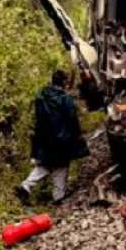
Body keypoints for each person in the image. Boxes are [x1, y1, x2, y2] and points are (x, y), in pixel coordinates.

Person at [14, 70, 89, 205]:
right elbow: (72, 119)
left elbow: (37, 119)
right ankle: (58, 196)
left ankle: (26, 185)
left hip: (44, 138)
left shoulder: (40, 97)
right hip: (63, 137)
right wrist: (77, 136)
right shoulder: (65, 99)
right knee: (61, 166)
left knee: (45, 164)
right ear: (64, 82)